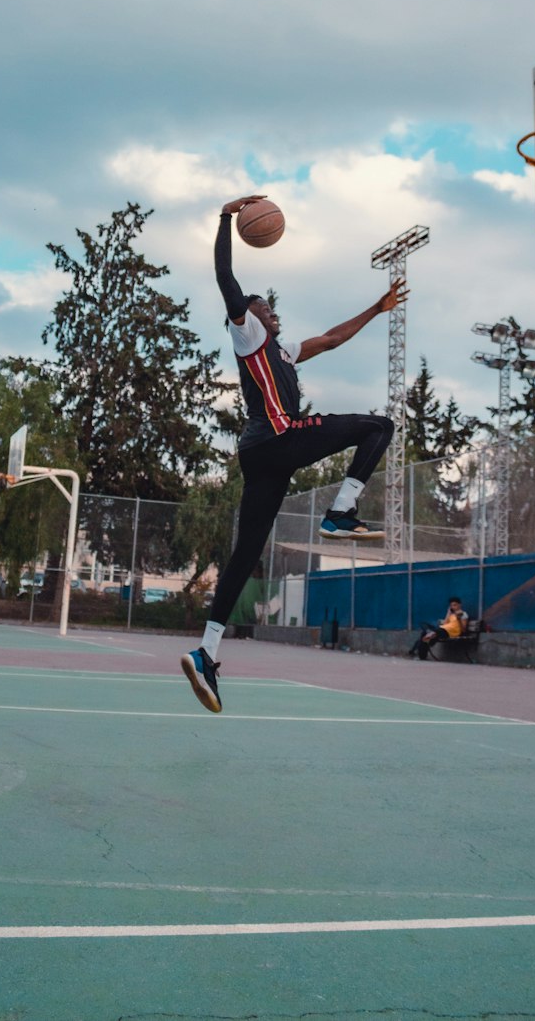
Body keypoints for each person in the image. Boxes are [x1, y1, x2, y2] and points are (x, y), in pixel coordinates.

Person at [181, 194, 408, 713]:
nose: (270, 309)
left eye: (267, 307)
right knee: (379, 425)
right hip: (279, 440)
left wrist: (377, 308)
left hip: (262, 457)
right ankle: (341, 512)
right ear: (249, 317)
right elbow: (225, 280)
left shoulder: (284, 350)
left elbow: (330, 338)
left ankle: (206, 654)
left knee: (245, 554)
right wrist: (224, 219)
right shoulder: (248, 334)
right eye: (264, 305)